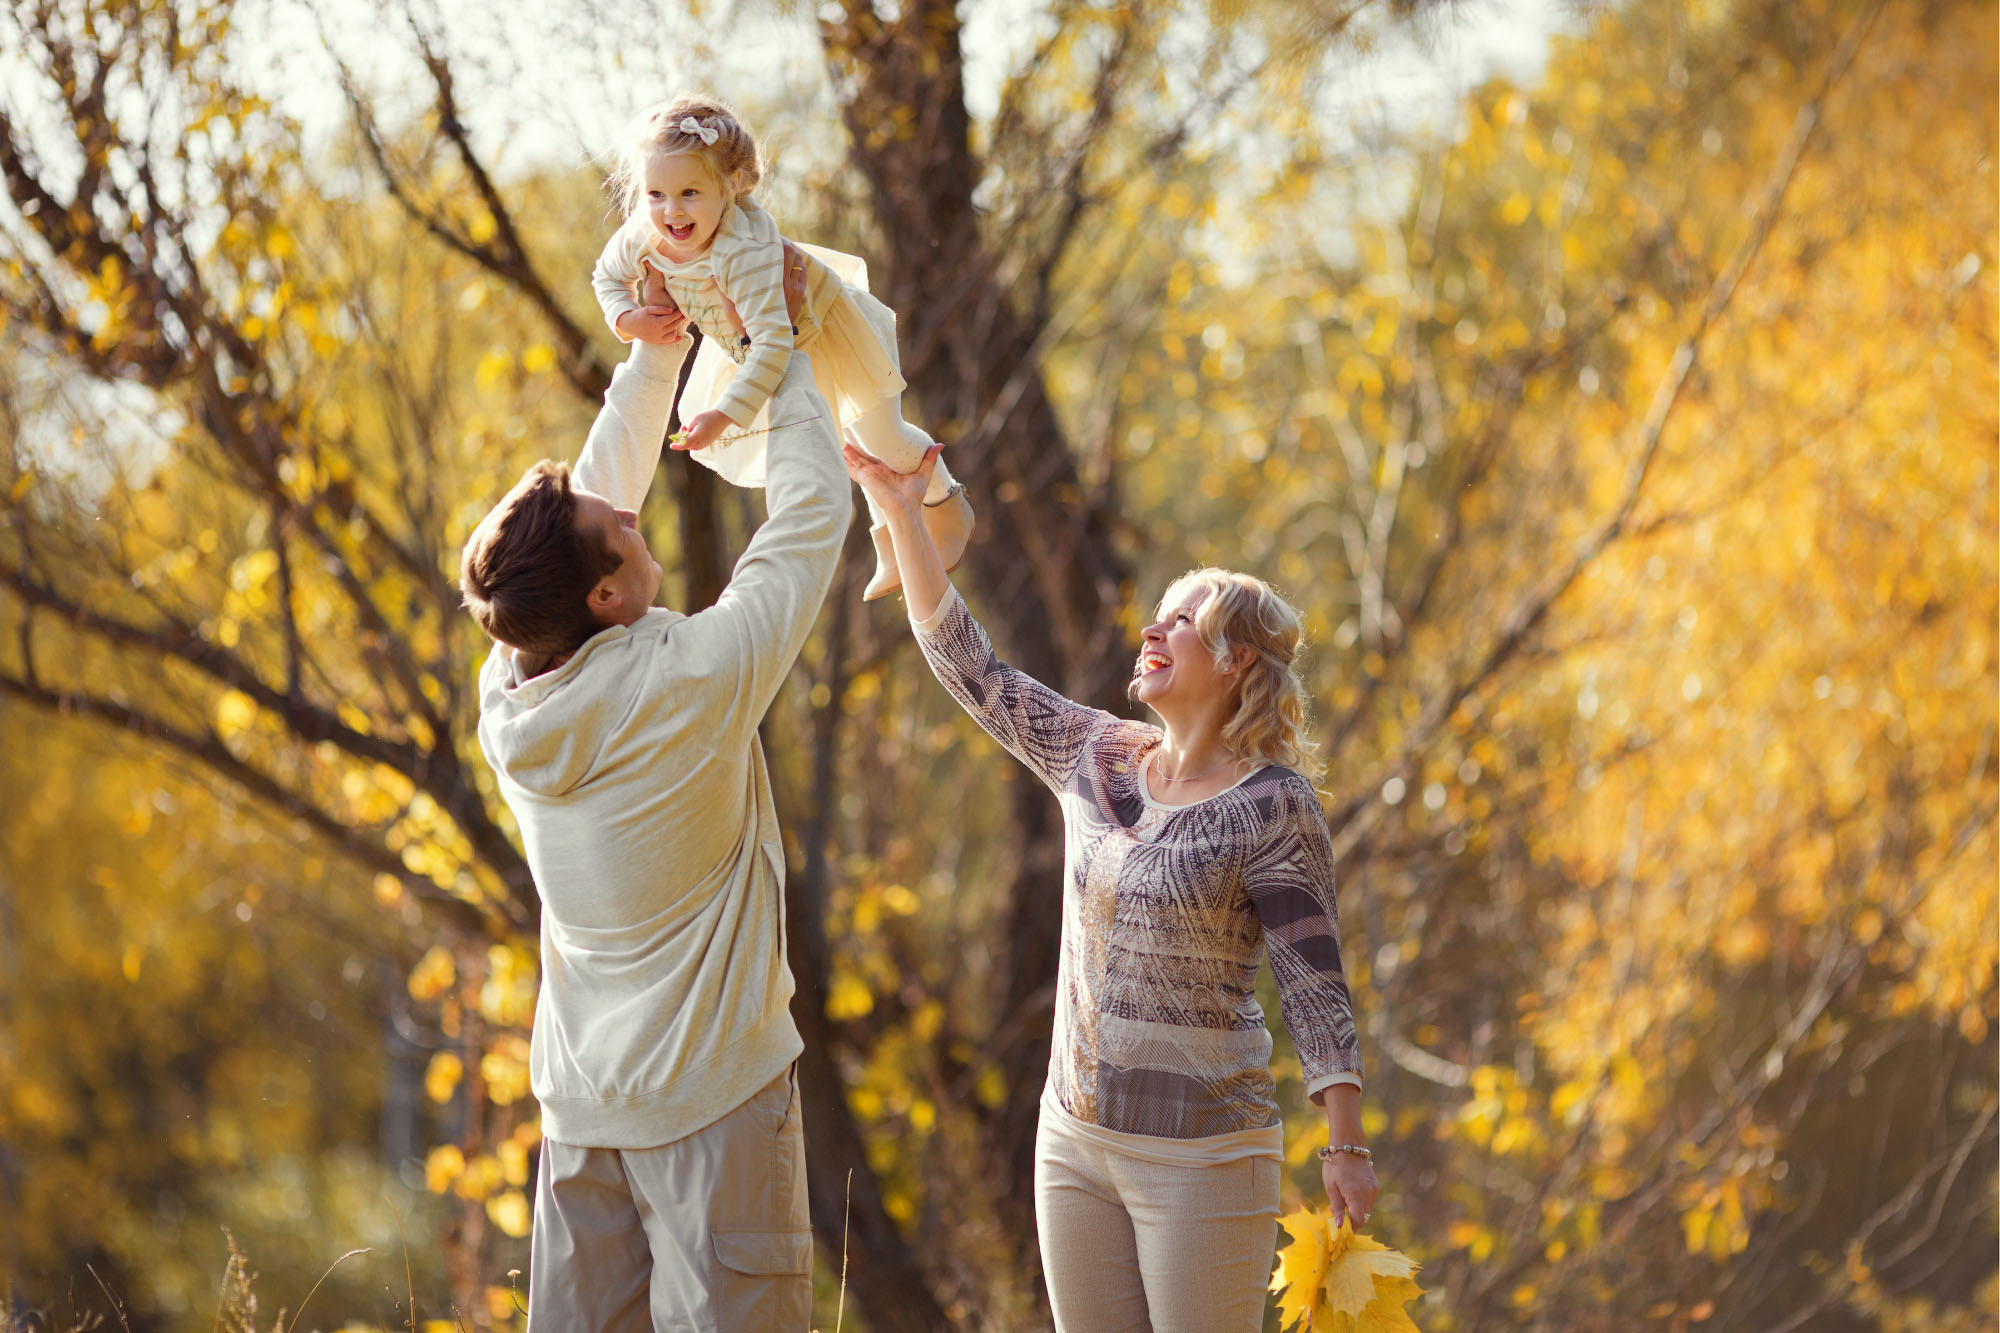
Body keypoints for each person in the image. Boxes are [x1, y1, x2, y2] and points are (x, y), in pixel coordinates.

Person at [844, 445, 1378, 1333]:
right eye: (1156, 617)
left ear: (1237, 658)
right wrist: (902, 511)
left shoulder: (1274, 805)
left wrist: (1346, 1143)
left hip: (1205, 1162)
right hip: (1075, 1147)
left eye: (1181, 621)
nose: (1152, 632)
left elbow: (1314, 985)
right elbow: (975, 669)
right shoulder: (1096, 756)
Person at [459, 258, 835, 1331]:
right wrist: (781, 349)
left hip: (582, 1117)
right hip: (714, 1107)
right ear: (608, 593)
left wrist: (656, 347)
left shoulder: (510, 690)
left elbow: (592, 503)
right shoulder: (693, 683)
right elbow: (807, 520)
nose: (635, 516)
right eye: (621, 527)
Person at [591, 92, 974, 601]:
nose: (671, 211)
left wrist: (723, 416)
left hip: (822, 331)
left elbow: (774, 345)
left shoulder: (739, 254)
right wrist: (630, 318)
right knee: (836, 443)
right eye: (656, 194)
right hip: (754, 343)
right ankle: (894, 539)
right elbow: (606, 275)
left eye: (689, 193)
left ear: (728, 188)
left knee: (879, 433)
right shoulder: (644, 231)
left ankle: (947, 503)